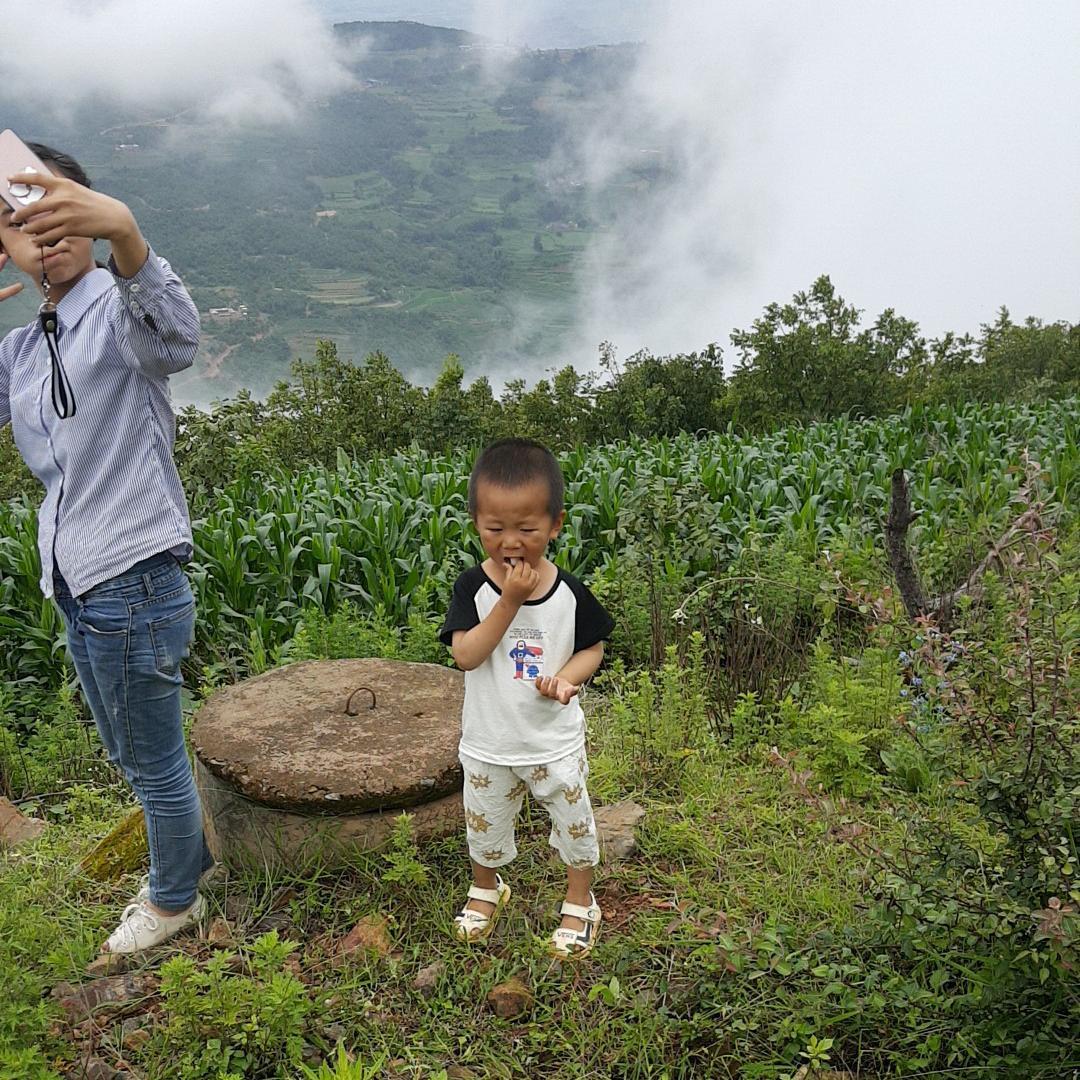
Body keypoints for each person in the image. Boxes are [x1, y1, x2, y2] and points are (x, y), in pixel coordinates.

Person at [0, 143, 213, 953]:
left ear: (86, 220)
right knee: (135, 750)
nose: (45, 235)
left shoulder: (119, 318)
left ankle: (171, 901)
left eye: (61, 214)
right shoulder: (24, 349)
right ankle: (188, 861)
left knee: (152, 760)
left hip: (134, 579)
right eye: (22, 222)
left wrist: (128, 235)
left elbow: (177, 340)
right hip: (80, 585)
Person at [440, 438, 614, 958]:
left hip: (552, 742)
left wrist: (567, 678)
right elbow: (466, 655)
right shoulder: (473, 588)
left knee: (575, 821)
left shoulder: (569, 592)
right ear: (476, 522)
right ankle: (486, 889)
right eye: (495, 529)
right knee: (484, 822)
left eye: (527, 529)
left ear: (555, 524)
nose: (511, 542)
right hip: (490, 742)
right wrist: (509, 601)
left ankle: (580, 902)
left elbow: (594, 646)